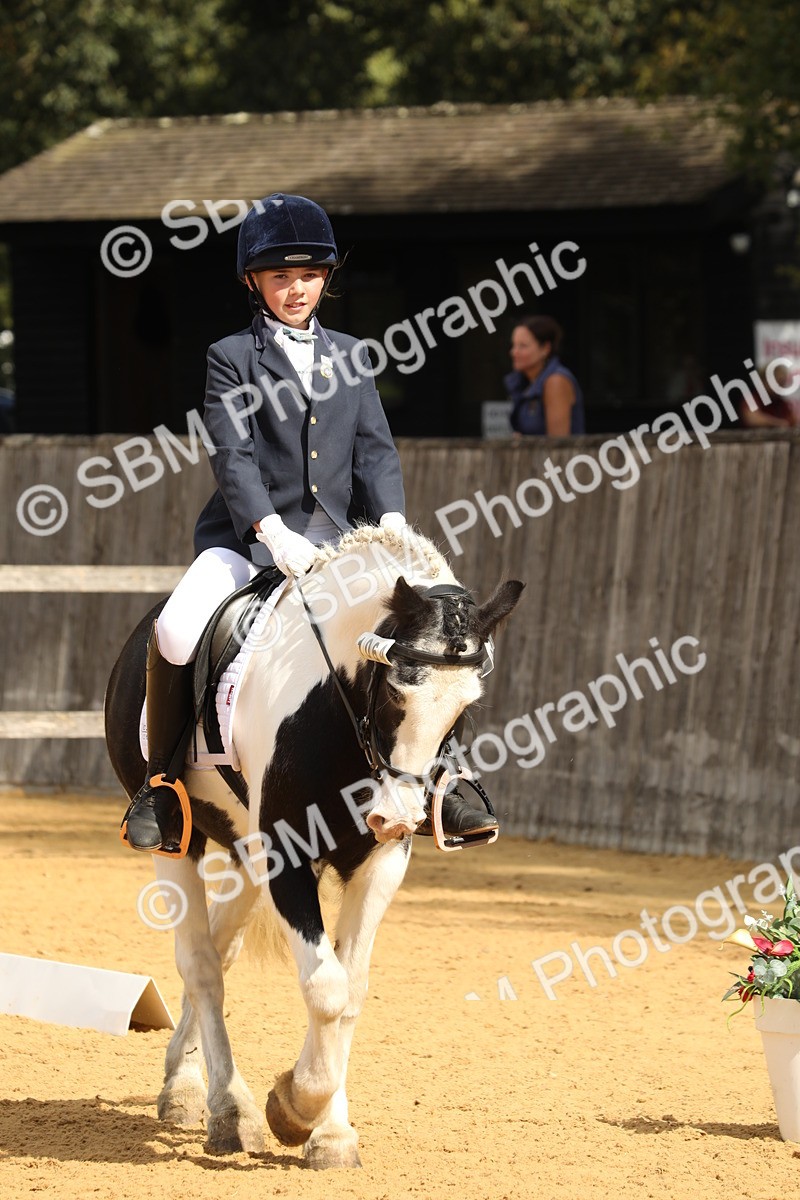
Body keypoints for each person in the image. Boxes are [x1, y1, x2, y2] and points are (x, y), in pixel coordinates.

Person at [122, 192, 496, 854]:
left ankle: (446, 781)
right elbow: (232, 458)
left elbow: (375, 452)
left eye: (308, 275)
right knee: (176, 628)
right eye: (280, 277)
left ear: (327, 277)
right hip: (251, 543)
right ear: (253, 282)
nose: (296, 290)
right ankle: (162, 789)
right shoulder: (231, 357)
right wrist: (272, 531)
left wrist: (393, 536)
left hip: (346, 547)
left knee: (435, 639)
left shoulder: (354, 354)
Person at [504, 315, 585, 435]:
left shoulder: (556, 381)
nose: (514, 352)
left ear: (545, 349)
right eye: (514, 345)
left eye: (523, 346)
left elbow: (558, 446)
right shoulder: (522, 382)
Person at [739, 364, 798, 428]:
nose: (780, 387)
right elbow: (752, 419)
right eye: (777, 383)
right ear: (764, 381)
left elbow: (792, 422)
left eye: (782, 384)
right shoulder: (752, 398)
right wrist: (778, 423)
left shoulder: (781, 403)